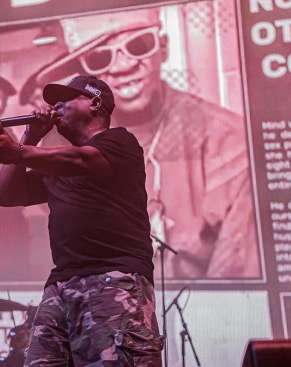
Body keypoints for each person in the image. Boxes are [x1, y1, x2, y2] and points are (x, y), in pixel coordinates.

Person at [0, 75, 186, 367]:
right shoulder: (56, 163)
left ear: (95, 103)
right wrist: (30, 136)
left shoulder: (119, 143)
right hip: (63, 283)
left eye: (67, 99)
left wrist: (22, 151)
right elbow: (4, 195)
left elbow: (84, 161)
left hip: (115, 276)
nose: (57, 106)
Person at [33, 9, 260, 279]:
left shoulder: (226, 136)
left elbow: (235, 277)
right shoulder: (61, 143)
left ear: (163, 48)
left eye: (139, 45)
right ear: (86, 77)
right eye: (100, 57)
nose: (123, 66)